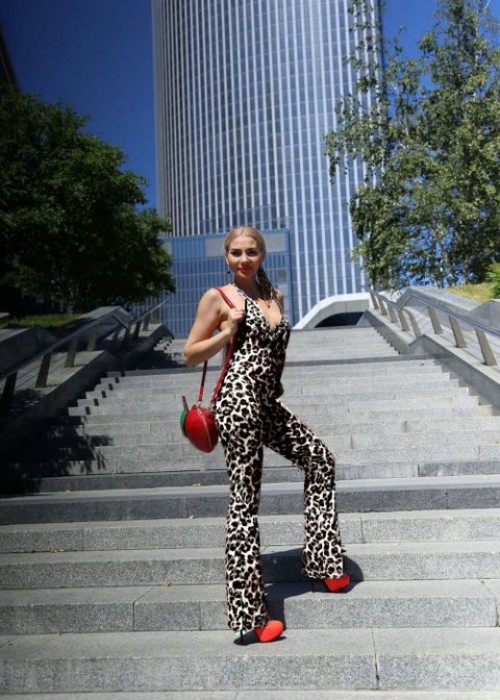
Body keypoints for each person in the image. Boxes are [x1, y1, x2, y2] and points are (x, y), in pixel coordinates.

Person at [183, 225, 349, 644]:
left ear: (262, 255)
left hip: (267, 402)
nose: (244, 259)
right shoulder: (219, 298)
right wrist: (226, 332)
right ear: (226, 257)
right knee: (244, 501)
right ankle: (251, 616)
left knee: (320, 459)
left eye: (251, 252)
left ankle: (325, 561)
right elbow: (189, 354)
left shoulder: (274, 296)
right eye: (236, 253)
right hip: (237, 401)